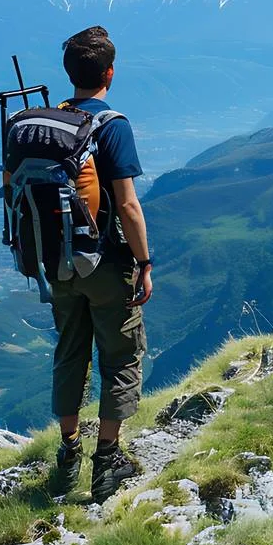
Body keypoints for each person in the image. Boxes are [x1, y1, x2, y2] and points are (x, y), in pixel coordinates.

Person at [47, 25, 154, 502]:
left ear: (69, 74)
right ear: (110, 72)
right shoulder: (111, 125)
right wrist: (145, 262)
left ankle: (68, 453)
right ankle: (107, 462)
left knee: (70, 354)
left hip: (58, 263)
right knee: (120, 357)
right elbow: (128, 206)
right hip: (107, 264)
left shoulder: (47, 123)